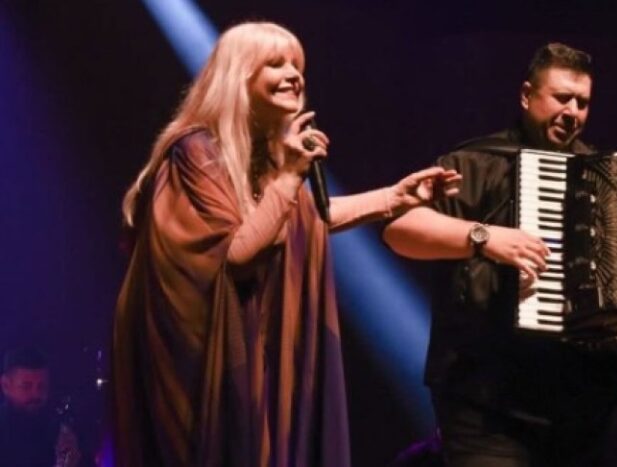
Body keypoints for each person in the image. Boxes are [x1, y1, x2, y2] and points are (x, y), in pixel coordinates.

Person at [111, 21, 460, 467]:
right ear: (239, 77)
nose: (294, 75)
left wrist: (394, 197)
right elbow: (238, 253)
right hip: (202, 373)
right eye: (276, 64)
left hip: (251, 358)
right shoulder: (195, 152)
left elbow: (305, 218)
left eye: (298, 65)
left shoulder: (261, 162)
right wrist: (291, 175)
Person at [382, 43, 617, 466]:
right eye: (561, 98)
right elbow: (400, 230)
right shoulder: (477, 162)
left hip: (581, 411)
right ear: (526, 95)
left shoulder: (612, 185)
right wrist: (484, 236)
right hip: (487, 406)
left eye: (582, 103)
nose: (572, 112)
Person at [0, 347, 82, 467]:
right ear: (6, 386)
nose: (36, 394)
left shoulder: (57, 429)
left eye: (41, 386)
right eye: (26, 386)